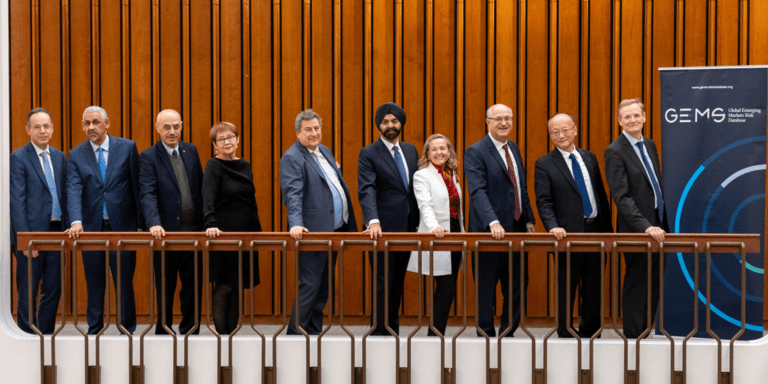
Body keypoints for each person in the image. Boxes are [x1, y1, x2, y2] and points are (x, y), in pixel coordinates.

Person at [534, 113, 613, 338]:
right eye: (555, 132)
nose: (561, 135)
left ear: (575, 130)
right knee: (566, 286)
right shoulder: (544, 164)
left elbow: (600, 195)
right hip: (565, 235)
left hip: (596, 231)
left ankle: (591, 332)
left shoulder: (589, 158)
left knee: (593, 286)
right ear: (550, 135)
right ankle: (566, 332)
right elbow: (544, 201)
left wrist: (608, 233)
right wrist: (552, 227)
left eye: (565, 130)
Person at [280, 109, 358, 335]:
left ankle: (312, 336)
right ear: (298, 133)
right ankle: (295, 338)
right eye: (308, 130)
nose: (314, 133)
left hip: (333, 231)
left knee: (322, 288)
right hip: (311, 232)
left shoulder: (324, 150)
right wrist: (295, 223)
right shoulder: (292, 157)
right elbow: (292, 193)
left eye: (317, 128)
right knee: (310, 286)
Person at [66, 106, 142, 334]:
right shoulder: (76, 154)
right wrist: (76, 220)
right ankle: (95, 329)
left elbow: (137, 188)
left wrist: (141, 224)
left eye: (96, 122)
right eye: (87, 123)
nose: (91, 127)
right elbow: (73, 189)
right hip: (90, 228)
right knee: (94, 281)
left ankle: (126, 329)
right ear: (82, 125)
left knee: (123, 281)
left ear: (107, 123)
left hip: (123, 227)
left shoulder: (127, 148)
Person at [464, 104, 536, 337]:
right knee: (486, 287)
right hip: (488, 232)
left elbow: (519, 186)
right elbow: (477, 192)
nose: (504, 123)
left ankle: (508, 332)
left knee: (517, 285)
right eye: (498, 119)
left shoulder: (512, 148)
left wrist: (528, 219)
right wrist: (492, 222)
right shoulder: (475, 151)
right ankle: (485, 335)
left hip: (516, 229)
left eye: (508, 118)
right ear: (487, 122)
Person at [604, 98, 668, 339]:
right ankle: (633, 337)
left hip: (660, 224)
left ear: (644, 118)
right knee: (637, 281)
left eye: (636, 115)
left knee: (655, 281)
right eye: (626, 117)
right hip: (637, 229)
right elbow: (621, 198)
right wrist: (646, 227)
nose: (632, 120)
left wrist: (658, 224)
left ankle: (646, 331)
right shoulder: (614, 151)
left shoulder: (649, 144)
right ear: (620, 121)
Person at [139, 109, 204, 335]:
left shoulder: (191, 150)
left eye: (176, 126)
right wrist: (154, 223)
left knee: (193, 287)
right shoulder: (148, 157)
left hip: (193, 233)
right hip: (165, 234)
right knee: (165, 287)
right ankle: (164, 330)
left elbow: (200, 188)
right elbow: (147, 193)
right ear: (157, 128)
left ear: (182, 125)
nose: (172, 131)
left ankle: (191, 330)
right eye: (166, 127)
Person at [358, 102, 420, 336]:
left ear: (401, 123)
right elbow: (367, 189)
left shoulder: (411, 149)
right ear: (378, 125)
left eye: (394, 121)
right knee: (382, 283)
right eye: (385, 122)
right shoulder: (369, 152)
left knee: (397, 282)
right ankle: (379, 333)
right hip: (382, 229)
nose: (390, 125)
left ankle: (392, 330)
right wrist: (372, 220)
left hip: (407, 227)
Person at [10, 108, 67, 334]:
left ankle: (45, 335)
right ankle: (26, 336)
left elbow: (63, 194)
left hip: (56, 233)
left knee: (53, 288)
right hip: (31, 235)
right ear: (28, 130)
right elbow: (17, 201)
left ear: (52, 128)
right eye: (37, 127)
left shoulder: (60, 156)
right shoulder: (18, 157)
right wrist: (25, 240)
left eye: (46, 126)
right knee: (28, 289)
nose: (42, 131)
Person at [202, 122, 262, 335]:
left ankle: (232, 336)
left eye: (230, 137)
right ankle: (222, 336)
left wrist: (257, 230)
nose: (227, 142)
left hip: (245, 231)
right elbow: (207, 199)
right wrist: (210, 224)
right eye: (221, 139)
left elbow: (250, 199)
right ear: (214, 145)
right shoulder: (213, 166)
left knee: (238, 285)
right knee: (225, 285)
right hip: (222, 233)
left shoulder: (244, 164)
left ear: (238, 140)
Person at [406, 134, 464, 336]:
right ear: (427, 154)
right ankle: (434, 335)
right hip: (438, 233)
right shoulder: (422, 175)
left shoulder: (451, 174)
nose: (439, 152)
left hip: (455, 232)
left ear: (449, 151)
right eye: (434, 149)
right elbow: (425, 205)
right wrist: (434, 228)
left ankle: (436, 332)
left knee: (449, 286)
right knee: (446, 287)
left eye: (443, 148)